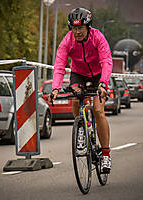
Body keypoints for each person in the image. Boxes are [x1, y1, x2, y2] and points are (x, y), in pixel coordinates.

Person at [48, 8, 112, 173]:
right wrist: (55, 88)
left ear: (88, 27)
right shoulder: (67, 41)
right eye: (74, 28)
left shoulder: (97, 37)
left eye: (80, 28)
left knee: (98, 110)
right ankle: (82, 129)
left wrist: (103, 84)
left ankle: (105, 155)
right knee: (75, 98)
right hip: (79, 74)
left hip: (98, 75)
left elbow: (106, 61)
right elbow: (60, 66)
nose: (77, 32)